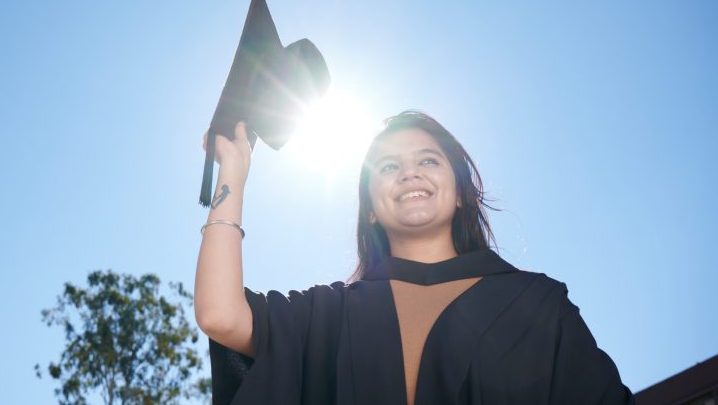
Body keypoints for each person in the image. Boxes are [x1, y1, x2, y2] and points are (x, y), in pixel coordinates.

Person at [194, 110, 634, 405]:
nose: (409, 172)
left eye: (428, 160)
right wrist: (233, 171)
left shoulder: (537, 305)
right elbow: (220, 314)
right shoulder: (327, 315)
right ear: (369, 207)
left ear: (461, 192)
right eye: (387, 167)